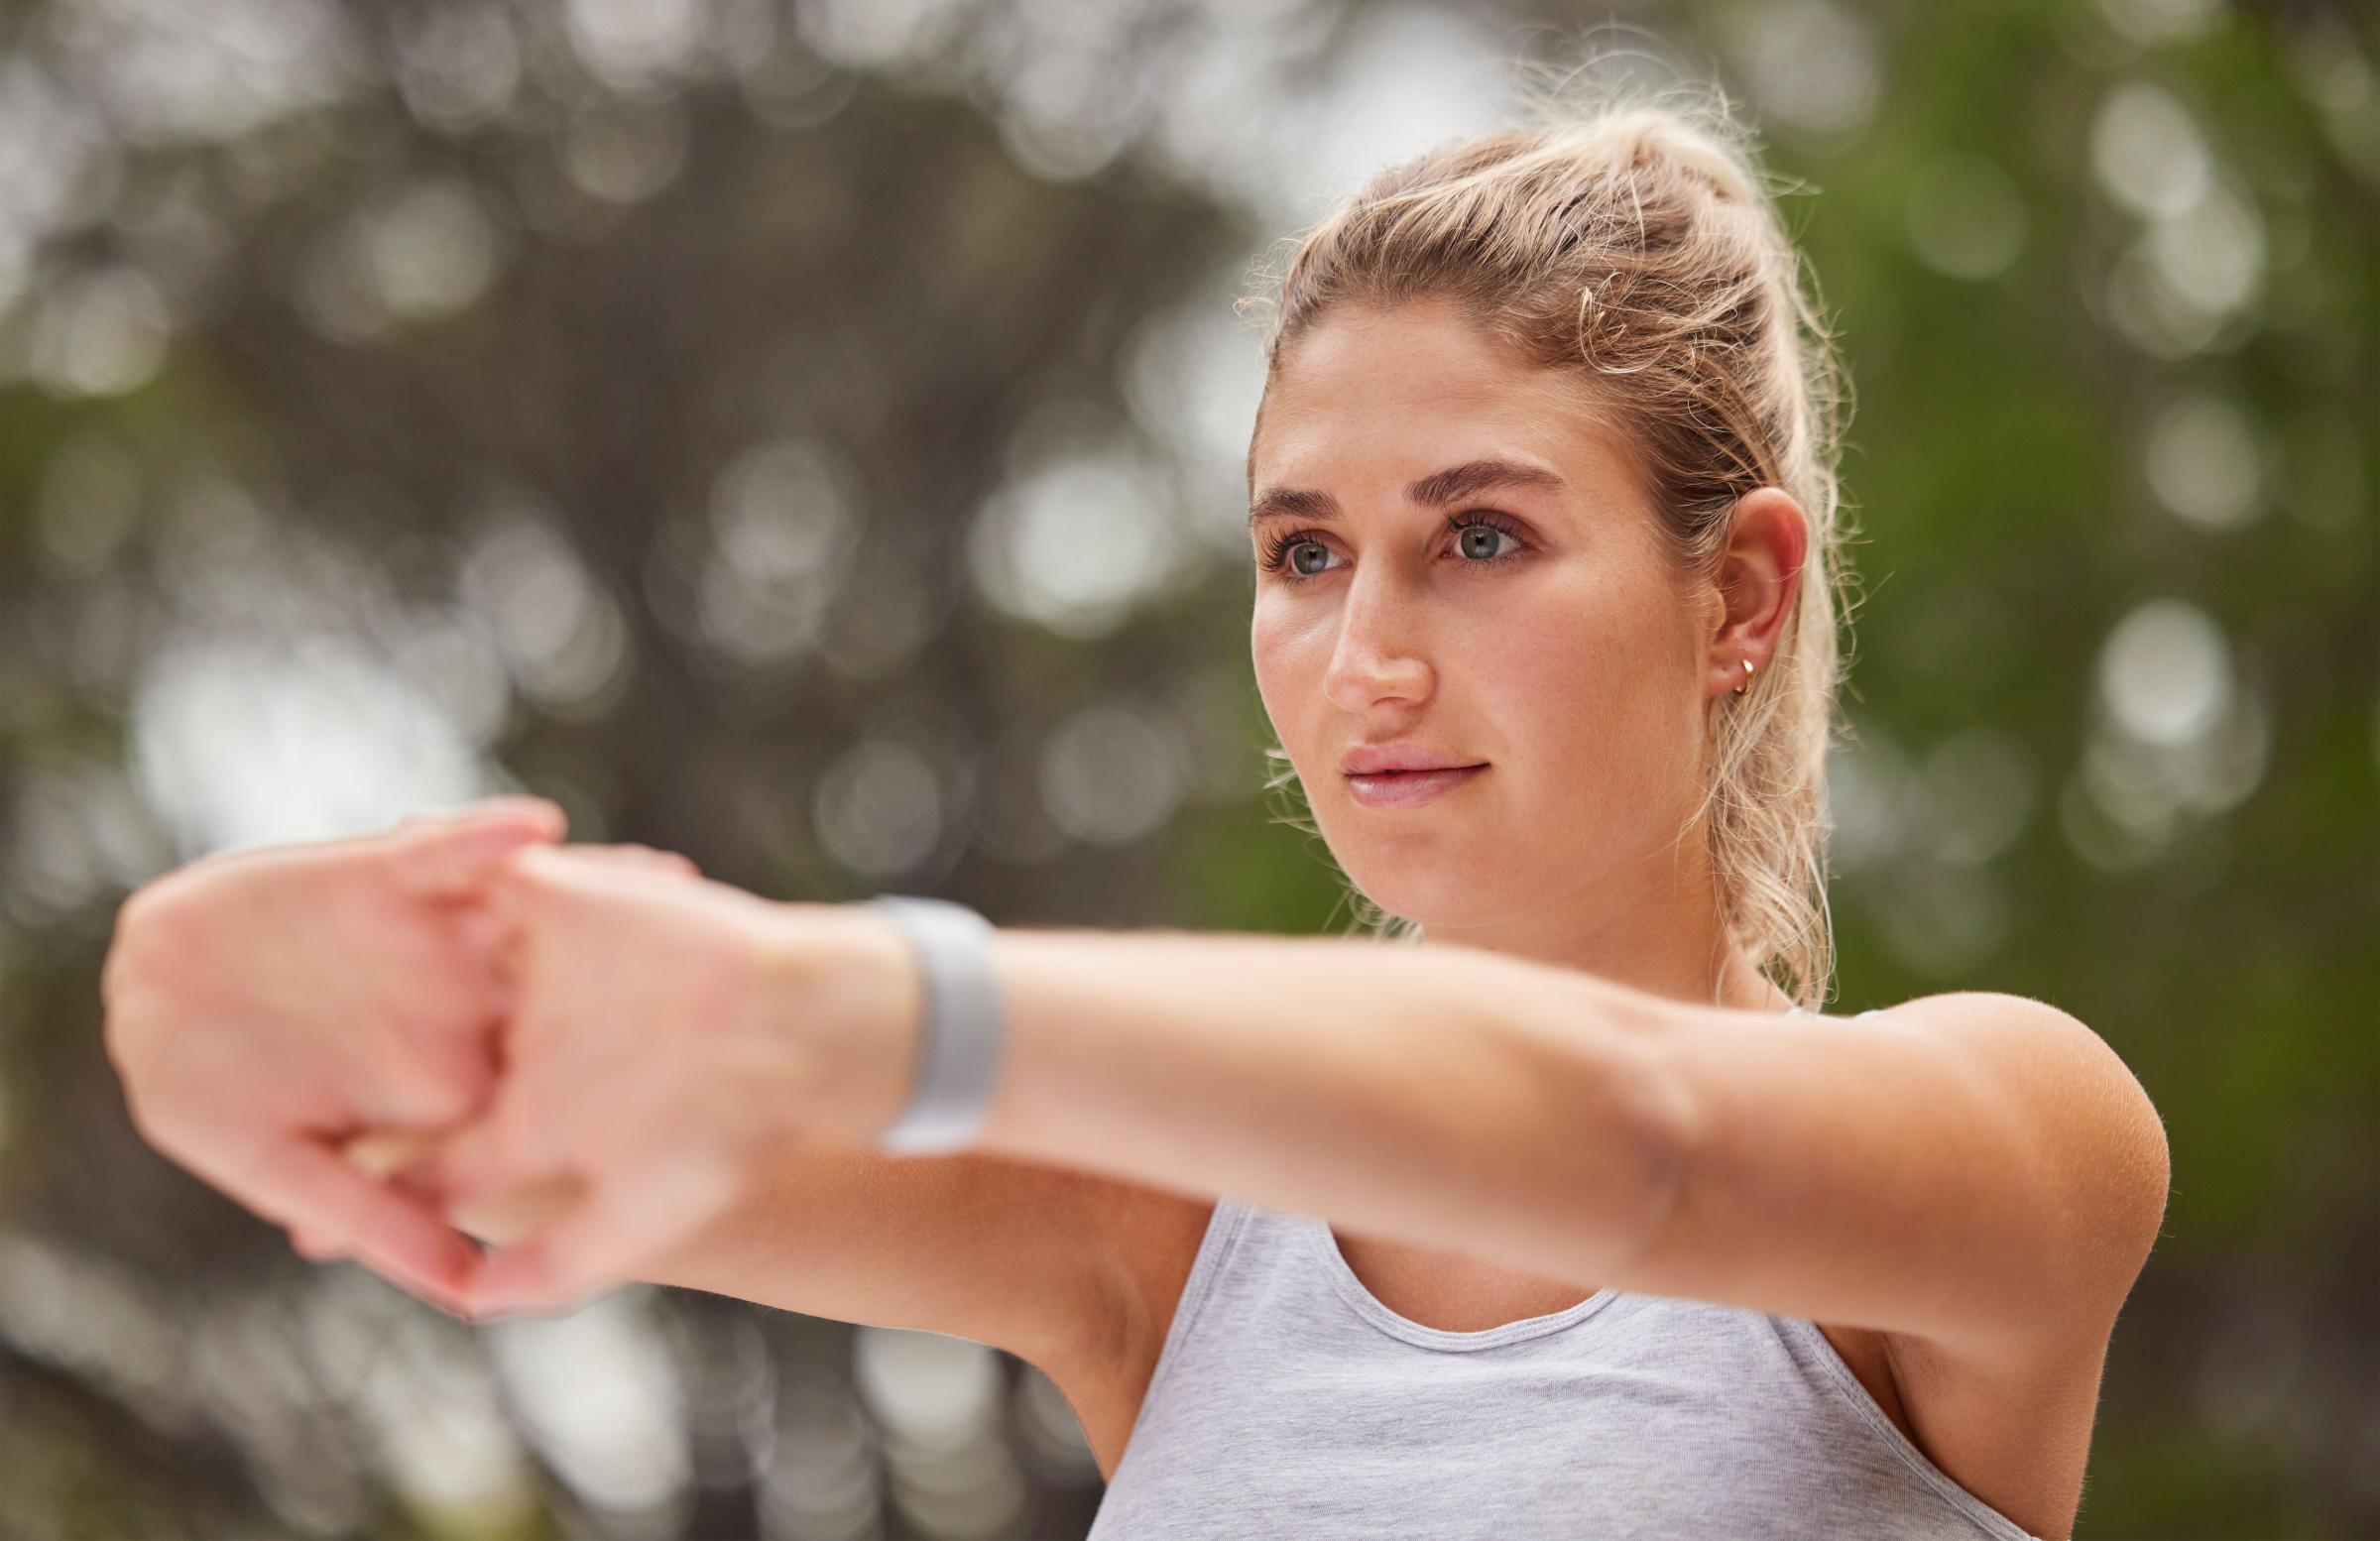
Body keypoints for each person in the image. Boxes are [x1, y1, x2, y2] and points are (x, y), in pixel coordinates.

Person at [101, 75, 2168, 1541]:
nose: (1367, 656)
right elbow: (480, 1121)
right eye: (1302, 552)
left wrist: (871, 1007)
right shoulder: (1167, 1229)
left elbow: (1641, 1140)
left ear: (1737, 595)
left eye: (1481, 539)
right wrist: (221, 986)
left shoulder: (2011, 1136)